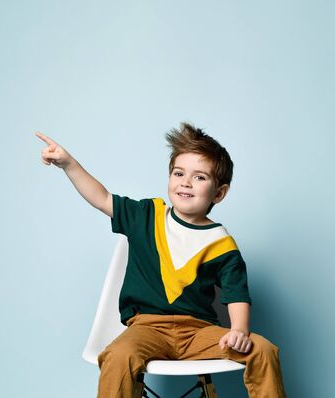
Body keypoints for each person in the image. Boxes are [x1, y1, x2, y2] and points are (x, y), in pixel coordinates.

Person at [35, 123, 287, 398]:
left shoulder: (221, 243)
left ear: (219, 193)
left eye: (200, 177)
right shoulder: (147, 215)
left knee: (262, 349)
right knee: (118, 355)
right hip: (147, 328)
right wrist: (69, 164)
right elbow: (103, 197)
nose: (186, 182)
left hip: (198, 332)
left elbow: (236, 293)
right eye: (179, 173)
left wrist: (239, 329)